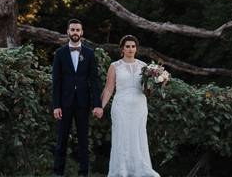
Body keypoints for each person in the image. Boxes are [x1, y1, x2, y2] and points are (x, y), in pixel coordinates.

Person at [99, 35, 160, 177]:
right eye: (127, 46)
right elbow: (108, 89)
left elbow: (147, 90)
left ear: (136, 48)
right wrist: (101, 107)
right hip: (121, 106)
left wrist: (158, 83)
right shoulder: (115, 66)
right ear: (122, 49)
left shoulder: (144, 66)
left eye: (133, 46)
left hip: (139, 106)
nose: (130, 49)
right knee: (121, 137)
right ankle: (121, 171)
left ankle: (140, 170)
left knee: (138, 136)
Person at [51, 19, 103, 176]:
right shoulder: (60, 54)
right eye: (72, 29)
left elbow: (94, 80)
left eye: (77, 30)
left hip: (83, 102)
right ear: (67, 32)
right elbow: (56, 81)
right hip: (64, 103)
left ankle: (83, 173)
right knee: (61, 140)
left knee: (83, 141)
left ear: (82, 33)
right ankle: (58, 173)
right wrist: (56, 105)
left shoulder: (89, 53)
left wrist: (97, 104)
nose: (75, 32)